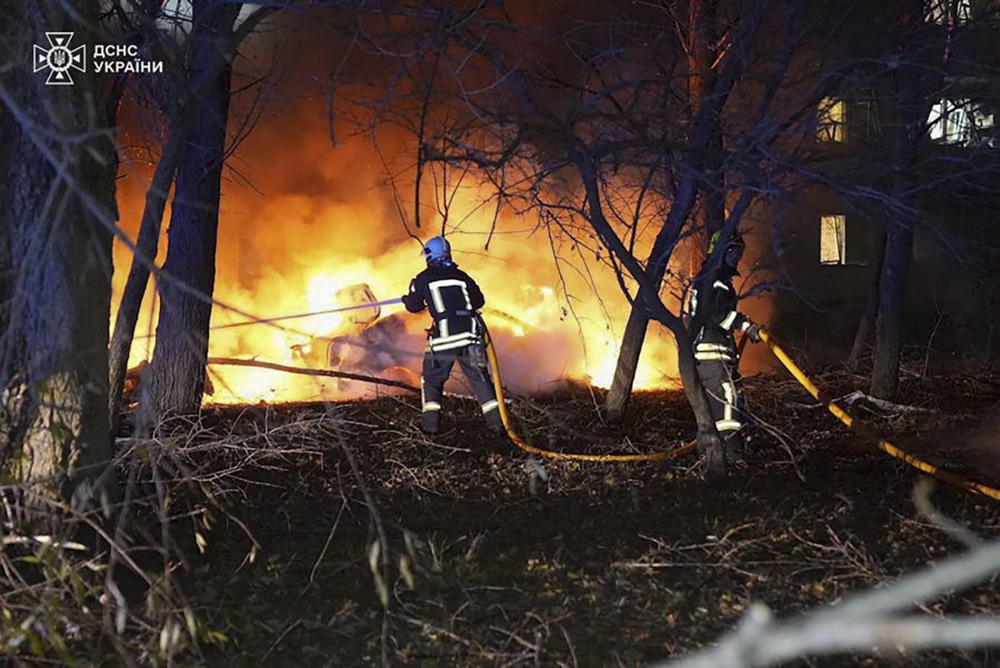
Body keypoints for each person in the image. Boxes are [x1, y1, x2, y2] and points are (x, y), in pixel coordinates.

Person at [402, 235, 504, 435]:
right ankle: (498, 424)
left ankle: (430, 427)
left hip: (446, 337)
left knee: (432, 379)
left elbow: (414, 306)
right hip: (472, 334)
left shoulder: (423, 278)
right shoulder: (462, 276)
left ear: (430, 257)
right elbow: (479, 301)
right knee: (480, 378)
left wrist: (408, 297)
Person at [687, 230, 763, 457]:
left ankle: (711, 451)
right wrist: (745, 325)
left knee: (717, 402)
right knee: (727, 398)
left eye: (739, 253)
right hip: (712, 352)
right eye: (734, 252)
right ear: (723, 251)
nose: (737, 258)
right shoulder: (715, 280)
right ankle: (730, 451)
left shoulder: (711, 278)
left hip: (710, 352)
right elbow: (715, 313)